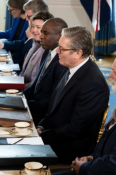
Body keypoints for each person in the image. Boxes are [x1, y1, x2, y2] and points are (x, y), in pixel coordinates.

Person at [37, 26, 110, 164]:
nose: (57, 51)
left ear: (78, 53)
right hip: (55, 136)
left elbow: (75, 130)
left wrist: (40, 137)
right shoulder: (70, 67)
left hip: (70, 148)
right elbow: (54, 108)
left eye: (62, 49)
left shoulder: (93, 84)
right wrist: (41, 126)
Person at [52, 60, 116, 174]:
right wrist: (91, 158)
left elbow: (113, 165)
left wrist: (84, 168)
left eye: (115, 72)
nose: (110, 75)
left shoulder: (93, 82)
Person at [23, 18, 67, 125]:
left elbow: (52, 101)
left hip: (42, 117)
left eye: (45, 33)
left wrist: (24, 105)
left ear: (59, 37)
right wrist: (19, 97)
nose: (41, 36)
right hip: (33, 106)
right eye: (41, 32)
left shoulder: (62, 63)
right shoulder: (48, 52)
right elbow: (34, 87)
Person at [0, 0, 48, 69]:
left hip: (18, 62)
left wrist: (31, 39)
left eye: (28, 16)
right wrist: (0, 43)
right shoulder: (21, 21)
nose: (26, 19)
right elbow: (21, 42)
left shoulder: (43, 37)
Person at [19, 11, 53, 88]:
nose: (34, 30)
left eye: (38, 27)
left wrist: (20, 87)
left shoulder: (48, 50)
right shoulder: (34, 44)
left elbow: (39, 83)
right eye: (33, 26)